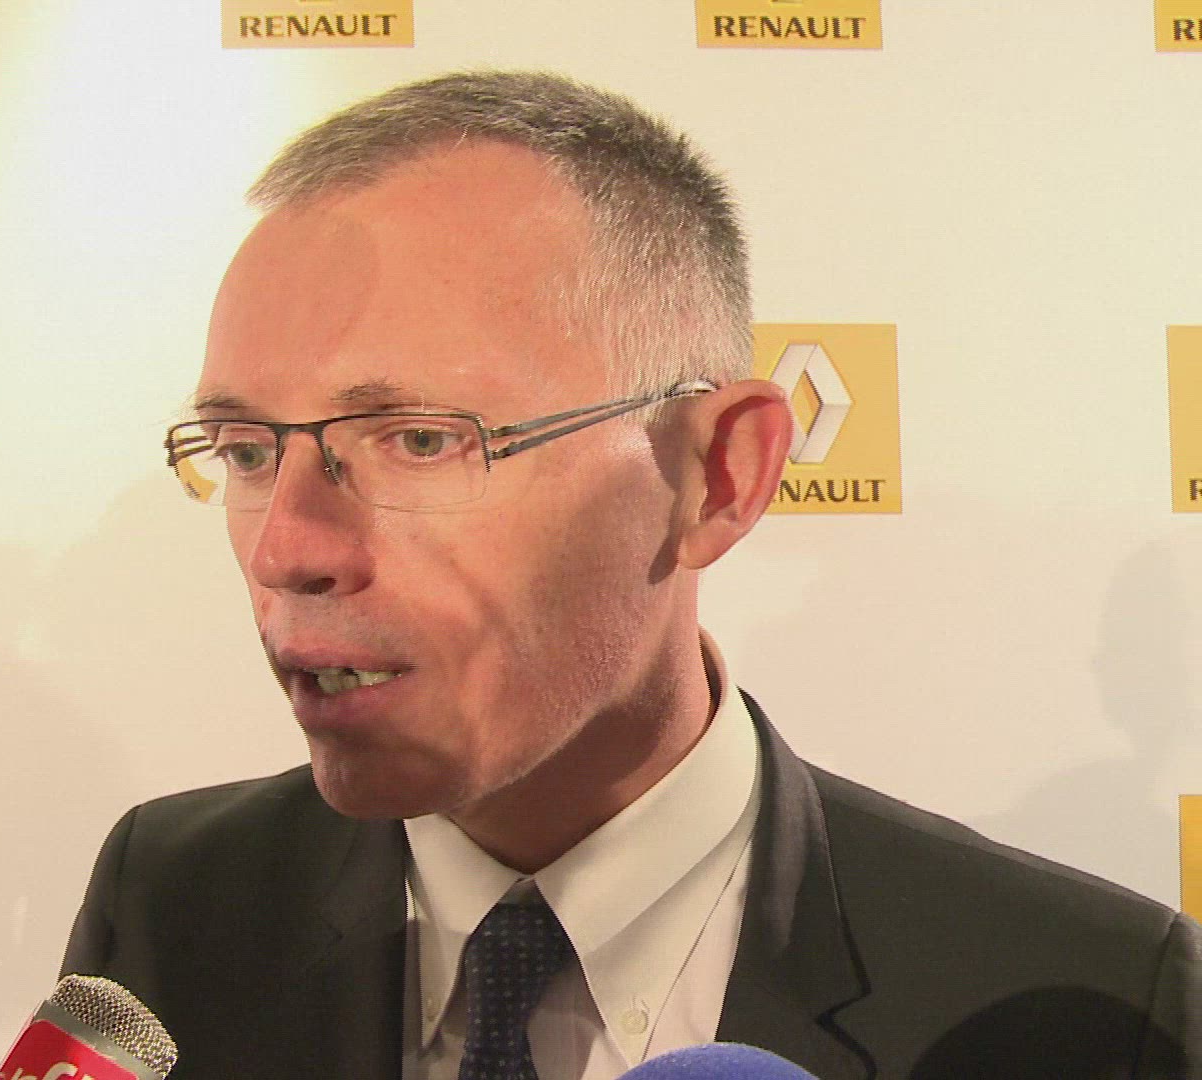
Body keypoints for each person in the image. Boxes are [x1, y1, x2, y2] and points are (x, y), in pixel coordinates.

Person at [60, 71, 1199, 1080]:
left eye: (421, 439)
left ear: (718, 474)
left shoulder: (1091, 1002)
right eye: (246, 452)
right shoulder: (170, 901)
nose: (286, 550)